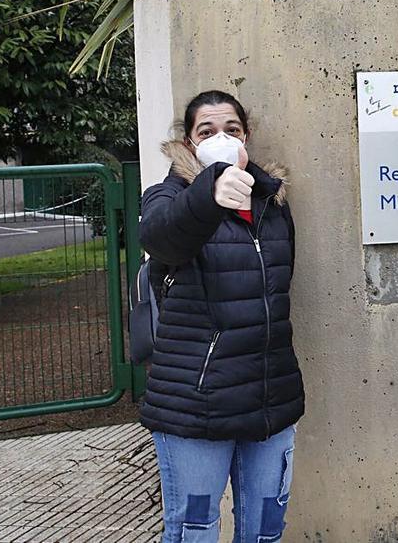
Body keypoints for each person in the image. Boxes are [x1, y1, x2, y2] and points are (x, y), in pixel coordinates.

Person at [139, 90, 304, 543]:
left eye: (231, 130)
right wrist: (207, 195)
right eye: (206, 131)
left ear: (246, 137)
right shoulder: (167, 197)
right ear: (190, 144)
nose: (221, 138)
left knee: (266, 528)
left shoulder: (273, 203)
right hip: (195, 402)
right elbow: (162, 239)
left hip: (268, 395)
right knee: (194, 528)